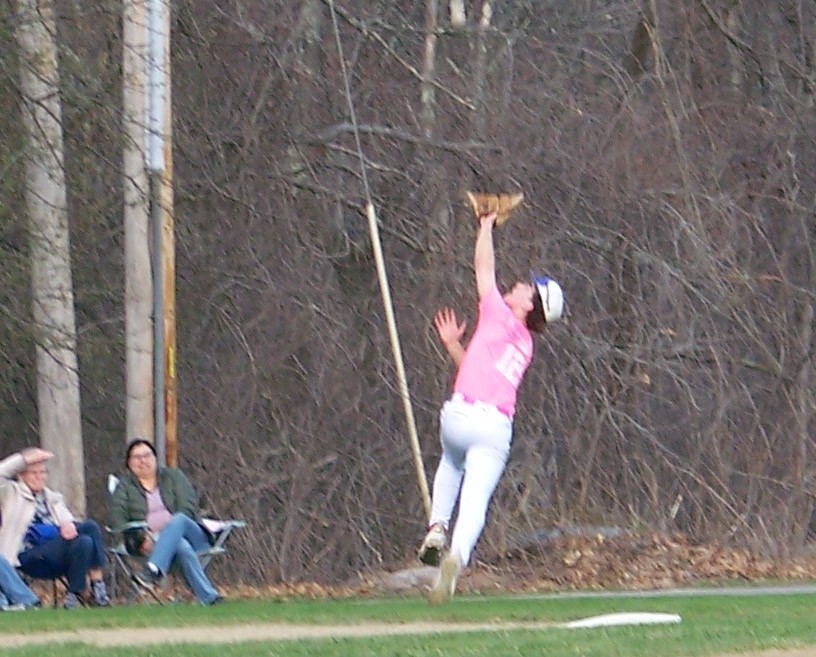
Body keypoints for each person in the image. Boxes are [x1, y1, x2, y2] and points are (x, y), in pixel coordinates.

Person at [417, 210, 564, 604]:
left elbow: (483, 267)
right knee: (477, 501)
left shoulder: (500, 314)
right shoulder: (526, 345)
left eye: (527, 288)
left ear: (526, 305)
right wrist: (454, 347)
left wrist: (484, 225)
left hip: (461, 416)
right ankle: (456, 559)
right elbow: (482, 371)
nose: (518, 285)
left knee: (450, 462)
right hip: (495, 427)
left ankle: (436, 526)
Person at [108, 439, 223, 606]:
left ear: (155, 458)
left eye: (147, 455)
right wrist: (140, 538)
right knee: (181, 546)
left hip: (192, 535)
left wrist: (167, 532)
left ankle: (153, 569)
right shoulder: (124, 487)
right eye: (136, 457)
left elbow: (189, 507)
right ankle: (210, 598)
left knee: (179, 520)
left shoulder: (173, 477)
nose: (143, 461)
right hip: (149, 542)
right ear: (129, 463)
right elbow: (117, 518)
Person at [0, 448, 111, 608]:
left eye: (43, 472)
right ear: (21, 475)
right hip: (26, 556)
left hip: (55, 555)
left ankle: (73, 595)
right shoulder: (10, 492)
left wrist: (68, 524)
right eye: (33, 473)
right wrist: (23, 459)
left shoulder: (52, 498)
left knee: (85, 541)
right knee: (89, 527)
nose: (40, 477)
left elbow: (67, 521)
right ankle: (97, 585)